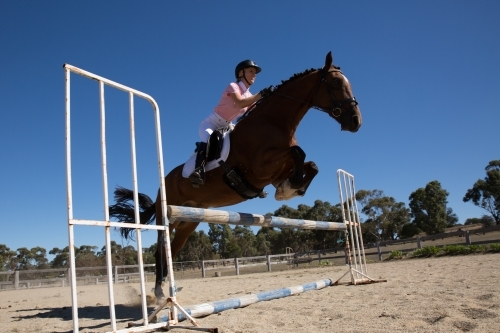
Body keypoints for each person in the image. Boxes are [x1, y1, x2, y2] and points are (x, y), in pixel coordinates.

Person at [189, 59, 272, 186]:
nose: (254, 75)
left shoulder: (249, 94)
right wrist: (261, 94)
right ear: (241, 73)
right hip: (211, 123)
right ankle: (198, 170)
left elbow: (256, 112)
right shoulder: (233, 86)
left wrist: (269, 99)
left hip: (227, 126)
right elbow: (240, 103)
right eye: (251, 71)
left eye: (255, 73)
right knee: (210, 139)